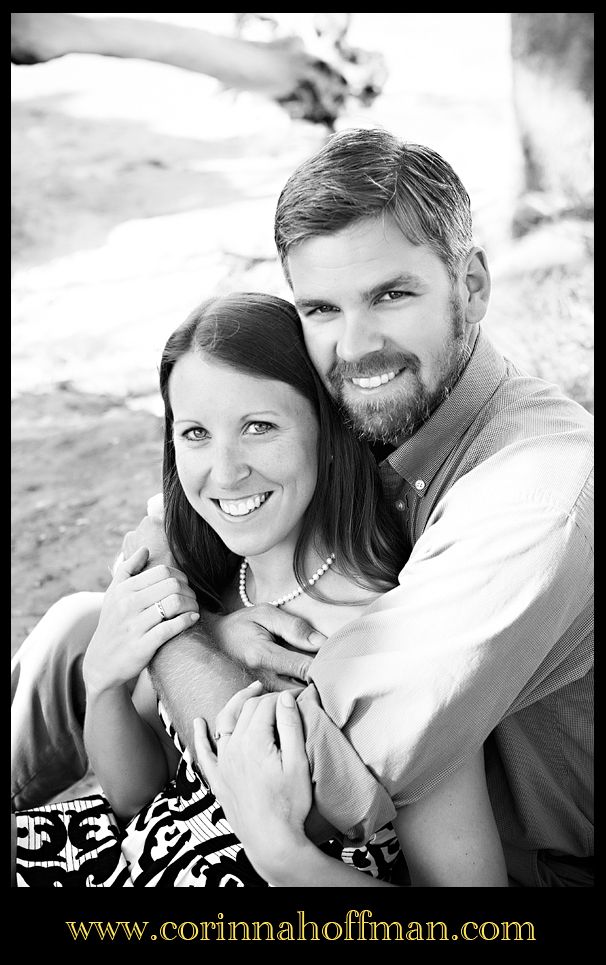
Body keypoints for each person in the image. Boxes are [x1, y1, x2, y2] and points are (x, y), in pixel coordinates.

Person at [12, 128, 593, 887]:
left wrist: (170, 633)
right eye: (321, 306)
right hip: (273, 763)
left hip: (508, 853)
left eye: (392, 293)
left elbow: (322, 780)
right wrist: (204, 623)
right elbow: (184, 514)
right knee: (79, 630)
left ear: (473, 286)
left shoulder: (540, 492)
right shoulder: (361, 391)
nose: (357, 344)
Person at [13, 291, 508, 887]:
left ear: (330, 430)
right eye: (195, 433)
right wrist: (106, 682)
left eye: (259, 427)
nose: (223, 472)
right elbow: (137, 800)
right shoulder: (208, 578)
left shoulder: (394, 640)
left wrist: (288, 860)